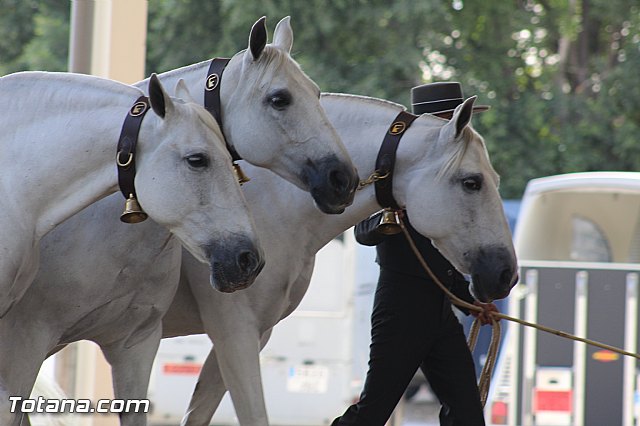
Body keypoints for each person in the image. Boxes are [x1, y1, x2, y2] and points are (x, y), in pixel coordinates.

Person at [331, 82, 500, 426]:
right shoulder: (397, 176)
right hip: (401, 311)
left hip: (440, 313)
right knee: (372, 415)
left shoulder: (448, 182)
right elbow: (362, 231)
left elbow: (445, 260)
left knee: (467, 415)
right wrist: (392, 217)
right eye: (454, 121)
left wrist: (471, 299)